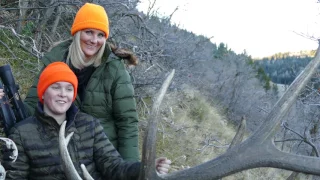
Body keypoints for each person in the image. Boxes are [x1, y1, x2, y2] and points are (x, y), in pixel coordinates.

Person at [5, 2, 140, 161]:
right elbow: (33, 106)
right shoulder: (56, 60)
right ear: (77, 33)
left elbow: (127, 123)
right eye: (89, 32)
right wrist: (9, 102)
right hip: (61, 152)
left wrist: (129, 169)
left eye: (100, 35)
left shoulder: (115, 69)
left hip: (104, 155)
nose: (94, 40)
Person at [2, 62, 171, 179]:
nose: (63, 94)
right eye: (55, 87)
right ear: (43, 93)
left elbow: (114, 167)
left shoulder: (89, 124)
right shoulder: (21, 133)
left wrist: (145, 167)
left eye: (69, 89)